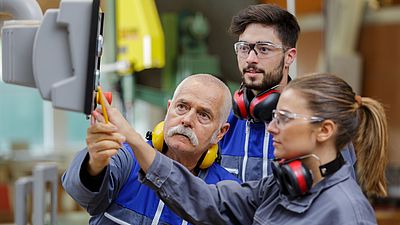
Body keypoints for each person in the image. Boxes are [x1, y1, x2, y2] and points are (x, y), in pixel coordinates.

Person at [95, 73, 387, 224]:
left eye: (284, 119)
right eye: (274, 117)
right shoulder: (279, 187)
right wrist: (133, 140)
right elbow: (205, 200)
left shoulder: (348, 214)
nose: (271, 128)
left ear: (324, 130)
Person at [62, 74, 241, 225]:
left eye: (203, 115)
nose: (187, 119)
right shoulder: (127, 157)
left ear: (221, 133)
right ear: (168, 109)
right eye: (181, 107)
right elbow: (81, 194)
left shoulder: (226, 192)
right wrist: (96, 163)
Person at [219, 4, 357, 181]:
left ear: (289, 56)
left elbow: (338, 199)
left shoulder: (317, 125)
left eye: (264, 49)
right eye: (244, 48)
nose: (251, 59)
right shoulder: (224, 122)